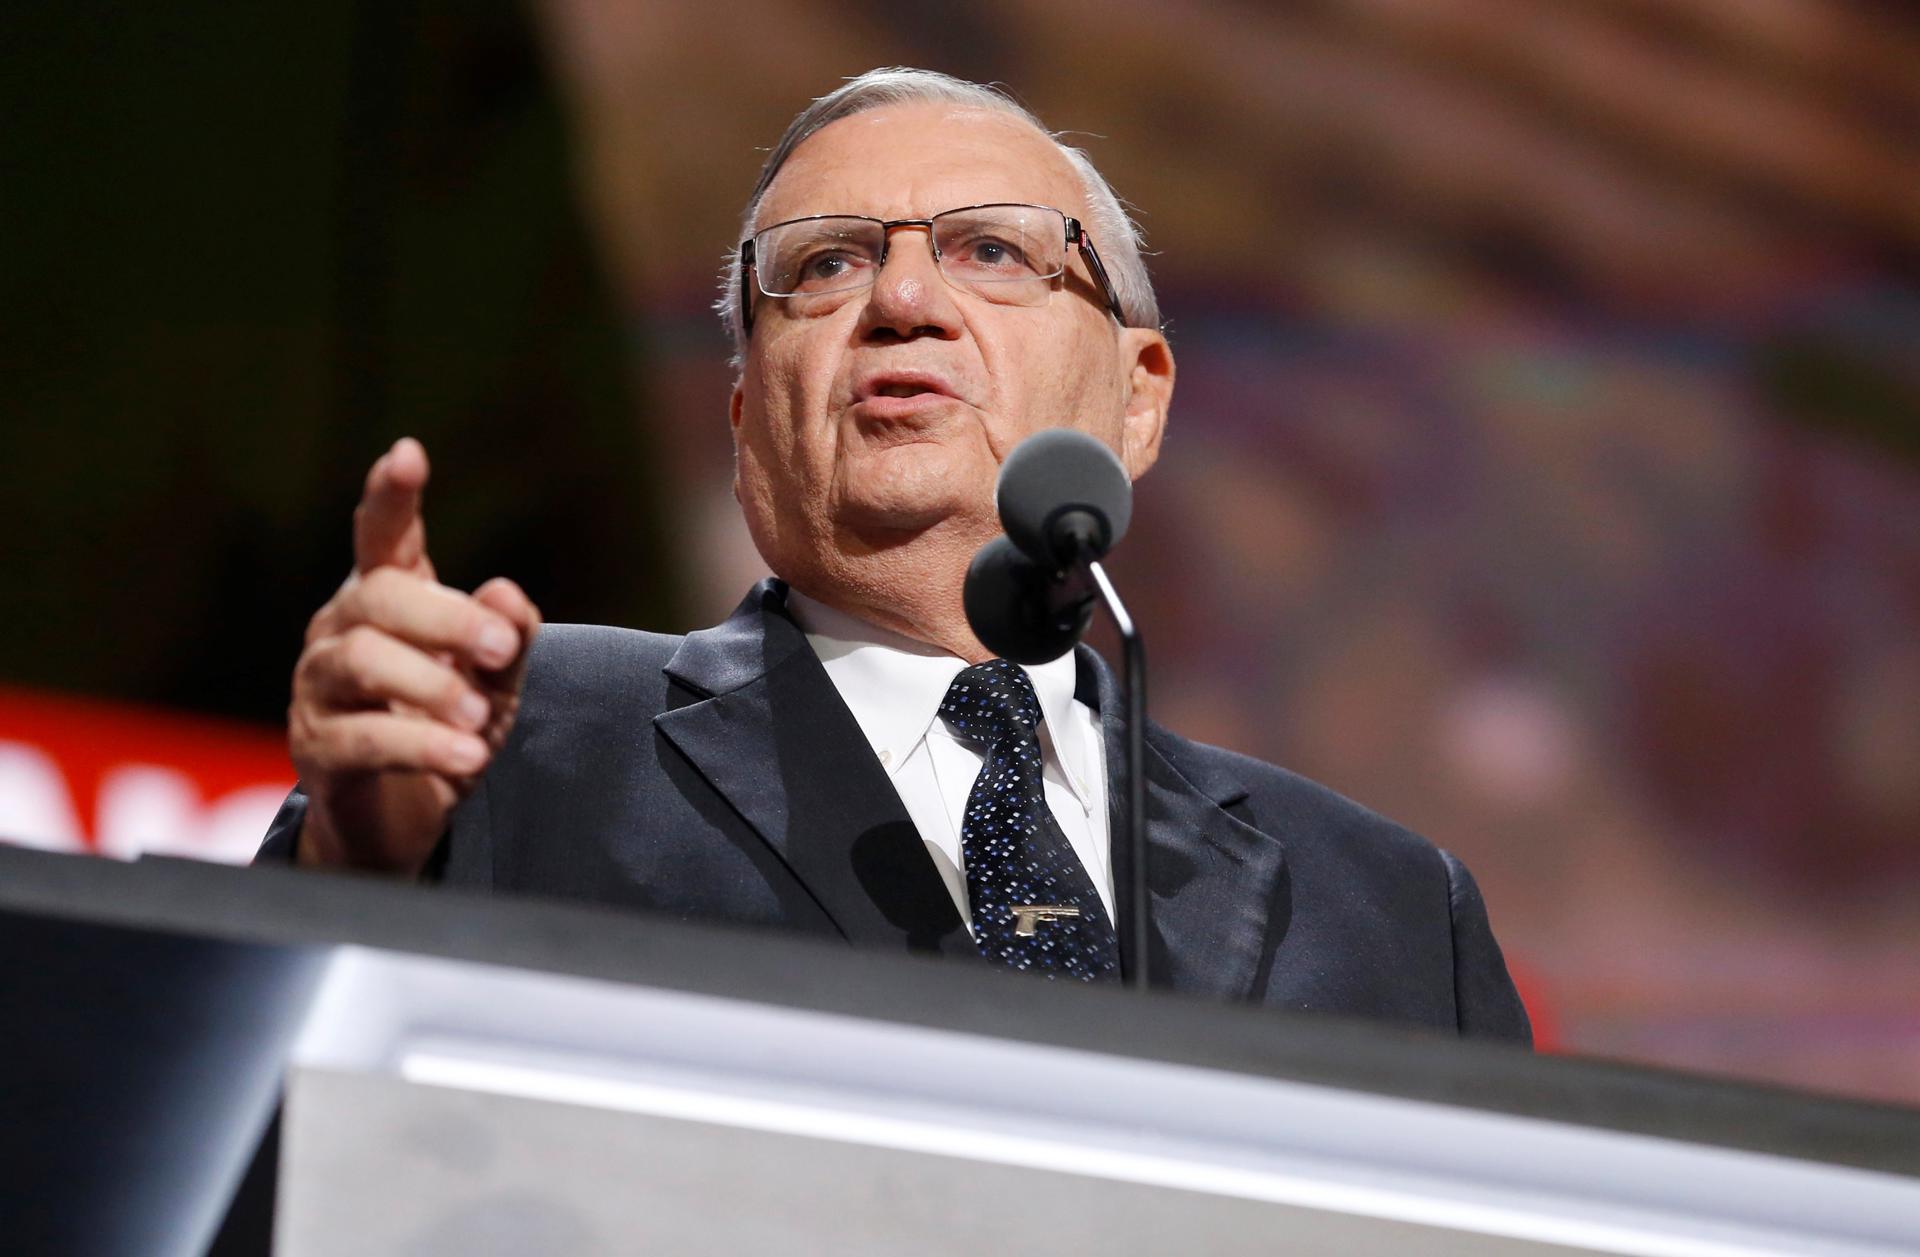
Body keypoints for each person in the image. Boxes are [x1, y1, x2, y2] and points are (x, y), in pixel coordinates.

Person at [260, 68, 1530, 1041]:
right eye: (825, 265)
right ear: (748, 414)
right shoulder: (528, 737)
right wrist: (359, 874)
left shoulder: (1396, 914)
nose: (903, 303)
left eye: (992, 250)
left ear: (1139, 400)